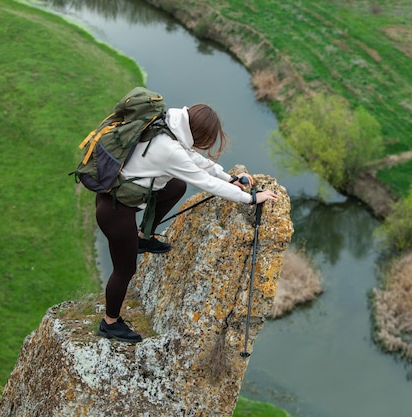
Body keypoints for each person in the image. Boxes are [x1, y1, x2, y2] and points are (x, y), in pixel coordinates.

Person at [96, 103, 278, 343]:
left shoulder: (168, 122)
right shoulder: (170, 150)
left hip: (117, 198)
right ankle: (110, 323)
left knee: (176, 185)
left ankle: (143, 238)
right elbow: (205, 181)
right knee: (125, 270)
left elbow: (194, 160)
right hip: (115, 212)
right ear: (198, 133)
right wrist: (251, 198)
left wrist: (229, 178)